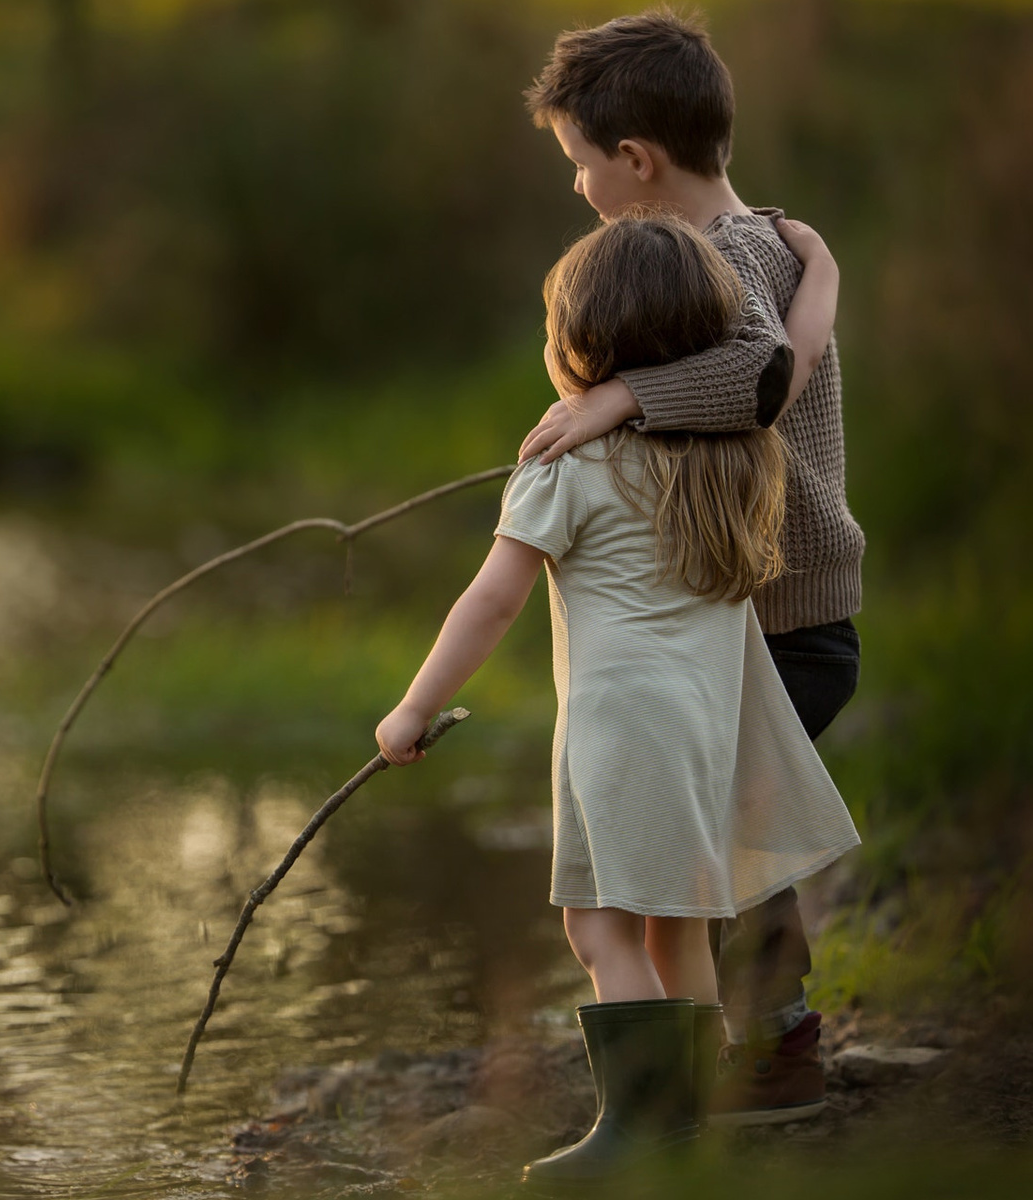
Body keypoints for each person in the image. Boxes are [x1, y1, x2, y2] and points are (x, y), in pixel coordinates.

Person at [374, 211, 859, 1186]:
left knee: (596, 927)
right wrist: (820, 267)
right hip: (707, 732)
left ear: (578, 346)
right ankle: (695, 1120)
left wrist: (411, 708)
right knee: (674, 927)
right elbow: (797, 355)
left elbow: (493, 599)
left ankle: (644, 1125)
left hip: (623, 729)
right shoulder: (740, 461)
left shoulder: (568, 464)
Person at [516, 8, 866, 1128]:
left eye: (580, 165)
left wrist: (620, 395)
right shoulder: (766, 240)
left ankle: (765, 1051)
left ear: (636, 160)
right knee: (724, 840)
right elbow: (783, 354)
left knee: (715, 850)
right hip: (776, 613)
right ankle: (757, 1046)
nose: (578, 190)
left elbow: (765, 376)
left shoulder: (715, 261)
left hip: (773, 620)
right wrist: (828, 275)